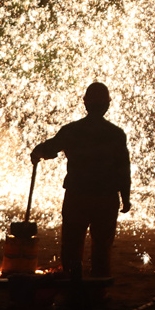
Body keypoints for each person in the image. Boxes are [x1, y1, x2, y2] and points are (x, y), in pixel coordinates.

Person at [31, 82, 131, 281]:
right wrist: (125, 198)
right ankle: (99, 288)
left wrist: (38, 152)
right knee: (102, 246)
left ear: (85, 103)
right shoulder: (115, 134)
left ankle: (72, 285)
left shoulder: (72, 130)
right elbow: (123, 170)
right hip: (106, 197)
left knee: (72, 242)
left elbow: (50, 149)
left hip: (77, 196)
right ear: (107, 105)